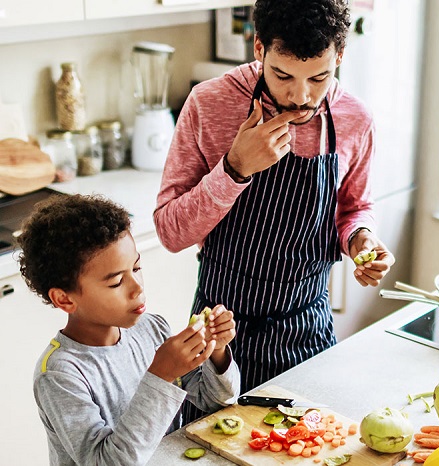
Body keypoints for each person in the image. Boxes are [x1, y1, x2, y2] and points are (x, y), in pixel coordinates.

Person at [154, 0, 395, 401]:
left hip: (307, 331)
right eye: (283, 75)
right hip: (218, 337)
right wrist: (233, 169)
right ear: (259, 48)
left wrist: (361, 240)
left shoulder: (355, 118)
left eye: (319, 78)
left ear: (340, 56)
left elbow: (353, 208)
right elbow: (170, 233)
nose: (300, 97)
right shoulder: (209, 104)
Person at [17, 194, 240, 466]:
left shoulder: (151, 329)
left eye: (137, 268)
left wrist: (216, 352)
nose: (138, 288)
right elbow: (107, 462)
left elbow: (216, 401)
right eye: (116, 282)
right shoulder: (60, 374)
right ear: (64, 299)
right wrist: (162, 374)